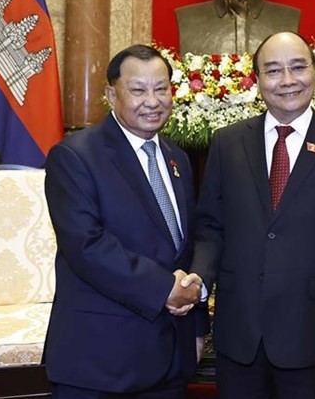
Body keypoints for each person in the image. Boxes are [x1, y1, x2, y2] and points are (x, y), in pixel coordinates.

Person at [189, 32, 315, 398]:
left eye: (298, 67)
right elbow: (210, 230)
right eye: (274, 70)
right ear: (257, 80)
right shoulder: (227, 143)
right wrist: (195, 299)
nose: (288, 80)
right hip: (241, 334)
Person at [43, 44, 208, 399]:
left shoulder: (177, 159)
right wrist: (164, 288)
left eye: (161, 88)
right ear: (110, 94)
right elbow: (87, 246)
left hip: (169, 359)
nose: (152, 100)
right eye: (138, 90)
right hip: (100, 361)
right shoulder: (74, 156)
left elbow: (185, 247)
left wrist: (196, 326)